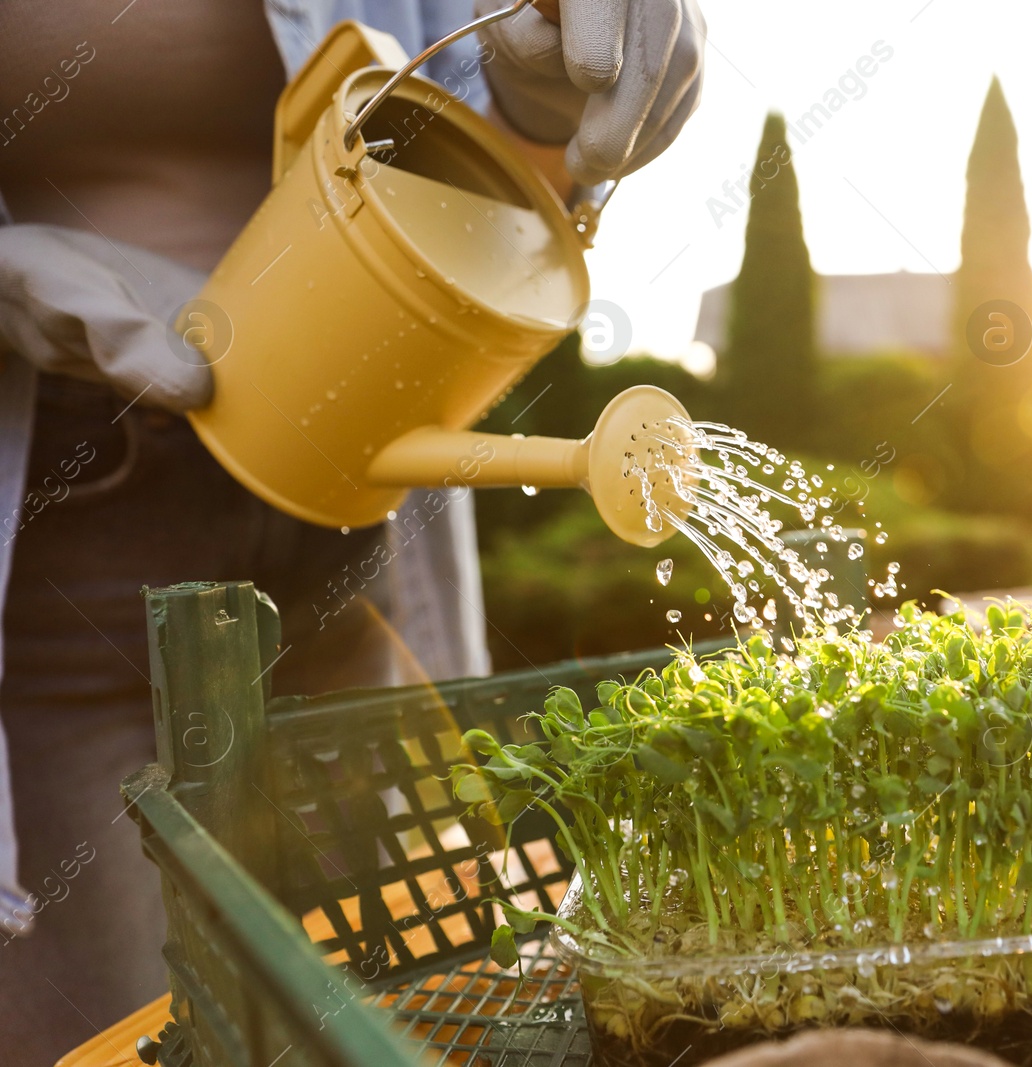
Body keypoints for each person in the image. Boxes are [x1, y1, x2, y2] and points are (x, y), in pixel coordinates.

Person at [0, 1, 704, 1062]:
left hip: (349, 541)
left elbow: (493, 175)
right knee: (140, 1033)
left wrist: (547, 102)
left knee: (454, 1003)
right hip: (61, 559)